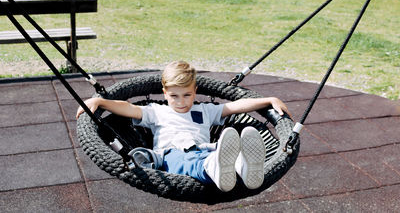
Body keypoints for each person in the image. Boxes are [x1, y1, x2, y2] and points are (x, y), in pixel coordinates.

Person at [76, 61, 291, 192]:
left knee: (224, 148)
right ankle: (216, 169)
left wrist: (268, 100)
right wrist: (100, 102)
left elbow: (234, 106)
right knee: (192, 160)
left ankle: (242, 168)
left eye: (187, 95)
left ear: (195, 90)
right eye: (174, 96)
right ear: (164, 92)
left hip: (208, 151)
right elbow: (127, 108)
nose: (181, 101)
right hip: (171, 157)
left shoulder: (205, 111)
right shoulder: (156, 112)